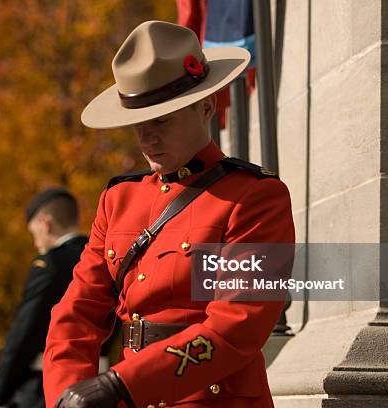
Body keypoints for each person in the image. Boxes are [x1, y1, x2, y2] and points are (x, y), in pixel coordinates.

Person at [42, 20, 295, 408]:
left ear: (207, 106)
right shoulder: (118, 200)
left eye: (161, 119)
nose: (147, 138)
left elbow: (239, 326)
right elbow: (76, 316)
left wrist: (121, 386)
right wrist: (67, 393)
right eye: (138, 124)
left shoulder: (257, 197)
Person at [0, 189, 89, 408]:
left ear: (46, 223)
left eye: (34, 234)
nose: (36, 243)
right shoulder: (103, 258)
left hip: (47, 387)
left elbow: (25, 332)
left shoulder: (49, 265)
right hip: (99, 385)